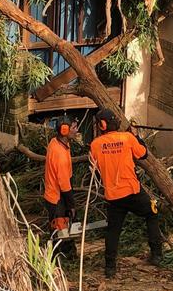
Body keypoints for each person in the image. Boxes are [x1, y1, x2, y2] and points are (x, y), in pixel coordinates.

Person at [90, 108, 161, 278]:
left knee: (113, 230)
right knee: (152, 214)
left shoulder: (95, 145)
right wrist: (136, 136)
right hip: (132, 191)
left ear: (102, 125)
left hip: (113, 196)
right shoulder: (128, 138)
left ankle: (110, 267)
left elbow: (96, 169)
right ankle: (157, 254)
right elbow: (143, 154)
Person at [44, 118, 77, 257]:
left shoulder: (55, 142)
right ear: (64, 130)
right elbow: (64, 185)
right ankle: (58, 256)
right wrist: (71, 205)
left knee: (60, 228)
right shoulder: (60, 155)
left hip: (53, 194)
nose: (76, 131)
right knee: (61, 229)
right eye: (74, 128)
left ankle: (63, 253)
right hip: (57, 197)